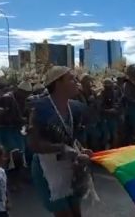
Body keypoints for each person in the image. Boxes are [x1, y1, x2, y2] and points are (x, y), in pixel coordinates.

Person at [28, 66, 94, 217]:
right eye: (71, 79)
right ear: (57, 83)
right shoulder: (39, 108)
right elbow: (34, 144)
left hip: (70, 166)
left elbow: (72, 138)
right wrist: (62, 148)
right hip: (47, 168)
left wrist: (81, 150)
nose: (76, 82)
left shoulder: (75, 108)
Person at [1, 81, 33, 191]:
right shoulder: (8, 98)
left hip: (18, 131)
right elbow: (5, 116)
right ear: (20, 91)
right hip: (7, 130)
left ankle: (18, 180)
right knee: (13, 155)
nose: (26, 95)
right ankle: (12, 181)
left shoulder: (24, 101)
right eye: (25, 93)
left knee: (20, 155)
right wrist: (19, 120)